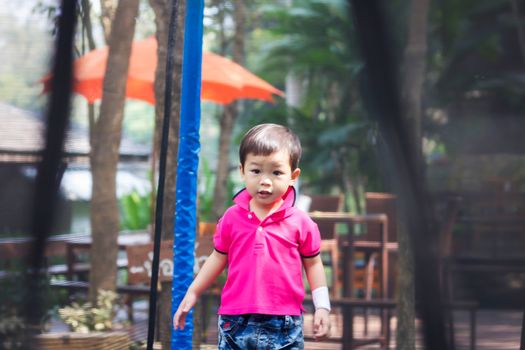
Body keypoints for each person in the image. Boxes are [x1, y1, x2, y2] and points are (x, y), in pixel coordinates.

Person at [173, 123, 331, 349]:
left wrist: (322, 306)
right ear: (242, 171)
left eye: (276, 172)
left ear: (293, 176)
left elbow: (314, 264)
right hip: (235, 321)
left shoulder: (301, 222)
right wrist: (192, 292)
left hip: (284, 321)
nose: (265, 180)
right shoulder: (231, 217)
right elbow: (218, 258)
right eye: (256, 171)